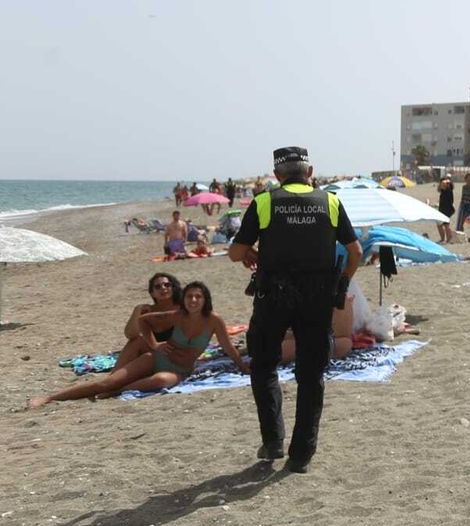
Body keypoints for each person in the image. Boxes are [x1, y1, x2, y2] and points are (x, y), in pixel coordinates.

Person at [228, 146, 361, 472]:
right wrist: (340, 284)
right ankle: (301, 454)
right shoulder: (329, 201)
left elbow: (235, 253)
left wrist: (249, 252)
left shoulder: (264, 202)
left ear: (277, 175)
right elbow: (354, 251)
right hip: (316, 299)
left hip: (273, 297)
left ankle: (273, 440)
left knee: (263, 364)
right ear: (310, 172)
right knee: (312, 374)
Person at [29, 281, 243, 408]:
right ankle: (50, 397)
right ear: (184, 299)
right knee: (106, 383)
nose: (193, 301)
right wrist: (155, 345)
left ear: (206, 300)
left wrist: (243, 367)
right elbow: (144, 321)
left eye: (198, 297)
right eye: (189, 296)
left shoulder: (214, 320)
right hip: (156, 358)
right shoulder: (177, 315)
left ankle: (119, 390)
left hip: (180, 370)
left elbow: (228, 346)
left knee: (161, 380)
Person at [108, 272, 185, 369]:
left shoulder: (183, 309)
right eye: (158, 287)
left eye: (167, 285)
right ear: (152, 293)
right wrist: (138, 311)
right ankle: (114, 375)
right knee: (137, 341)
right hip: (156, 351)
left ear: (173, 288)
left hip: (176, 352)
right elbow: (131, 335)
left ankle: (115, 377)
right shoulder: (148, 311)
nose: (163, 288)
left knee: (146, 354)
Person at [436, 176, 455, 243]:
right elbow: (439, 189)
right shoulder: (443, 189)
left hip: (447, 208)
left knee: (446, 224)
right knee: (440, 224)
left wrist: (445, 181)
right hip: (443, 208)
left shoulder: (448, 188)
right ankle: (443, 238)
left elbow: (444, 184)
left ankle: (448, 239)